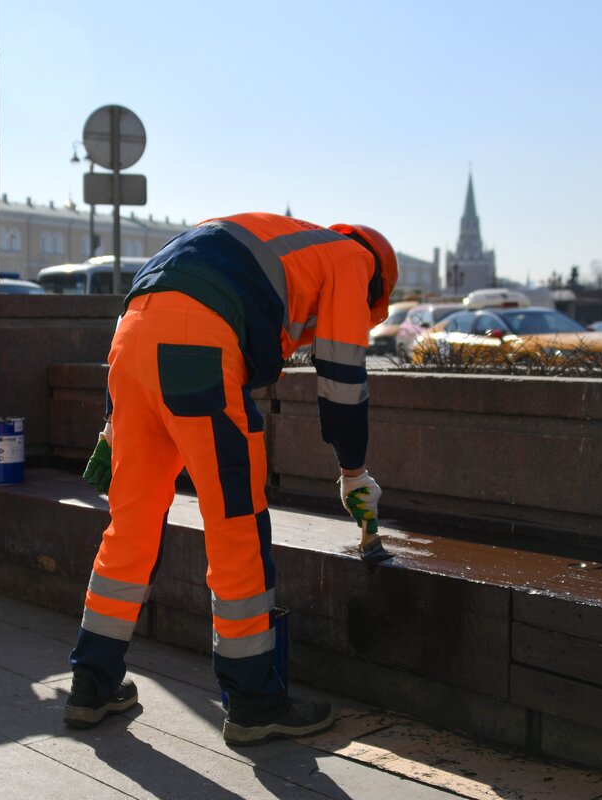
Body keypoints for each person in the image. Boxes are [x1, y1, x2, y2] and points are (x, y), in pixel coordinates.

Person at [65, 212, 398, 746]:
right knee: (235, 524)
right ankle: (253, 702)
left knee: (129, 527)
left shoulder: (278, 239)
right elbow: (341, 377)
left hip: (127, 349)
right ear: (378, 281)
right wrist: (353, 470)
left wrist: (111, 424)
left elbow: (157, 307)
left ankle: (90, 684)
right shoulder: (352, 260)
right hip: (196, 352)